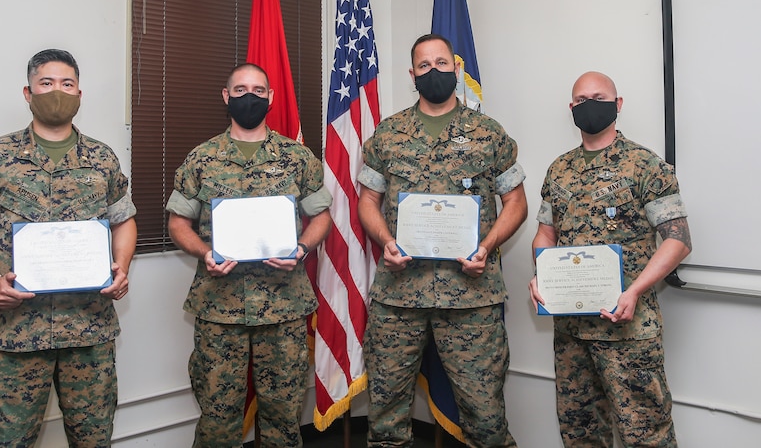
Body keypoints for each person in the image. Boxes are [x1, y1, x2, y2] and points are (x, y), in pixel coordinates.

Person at [0, 49, 138, 447]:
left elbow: (124, 220)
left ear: (79, 94)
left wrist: (121, 266)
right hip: (16, 332)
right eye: (46, 83)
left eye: (66, 84)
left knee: (93, 438)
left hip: (88, 329)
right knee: (5, 440)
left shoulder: (102, 159)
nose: (57, 92)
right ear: (28, 92)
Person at [357, 34, 527, 447]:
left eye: (441, 63)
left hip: (471, 296)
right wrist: (384, 241)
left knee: (485, 418)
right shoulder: (389, 134)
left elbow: (516, 202)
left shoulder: (488, 134)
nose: (434, 71)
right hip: (399, 294)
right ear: (412, 75)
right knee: (385, 418)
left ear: (456, 68)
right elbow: (368, 201)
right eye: (424, 65)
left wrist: (486, 246)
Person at [166, 63, 332, 448]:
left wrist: (302, 248)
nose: (249, 97)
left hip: (284, 305)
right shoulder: (201, 158)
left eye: (258, 90)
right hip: (219, 306)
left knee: (283, 416)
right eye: (240, 90)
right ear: (226, 97)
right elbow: (178, 224)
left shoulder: (298, 157)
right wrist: (205, 252)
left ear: (271, 98)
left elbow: (321, 217)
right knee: (218, 417)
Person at [529, 71, 692, 447]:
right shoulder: (559, 170)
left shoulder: (645, 165)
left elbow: (678, 240)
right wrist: (542, 276)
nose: (590, 105)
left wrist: (635, 290)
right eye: (581, 99)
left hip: (628, 332)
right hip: (572, 332)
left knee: (646, 434)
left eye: (598, 97)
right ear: (572, 109)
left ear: (617, 105)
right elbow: (545, 234)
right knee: (580, 433)